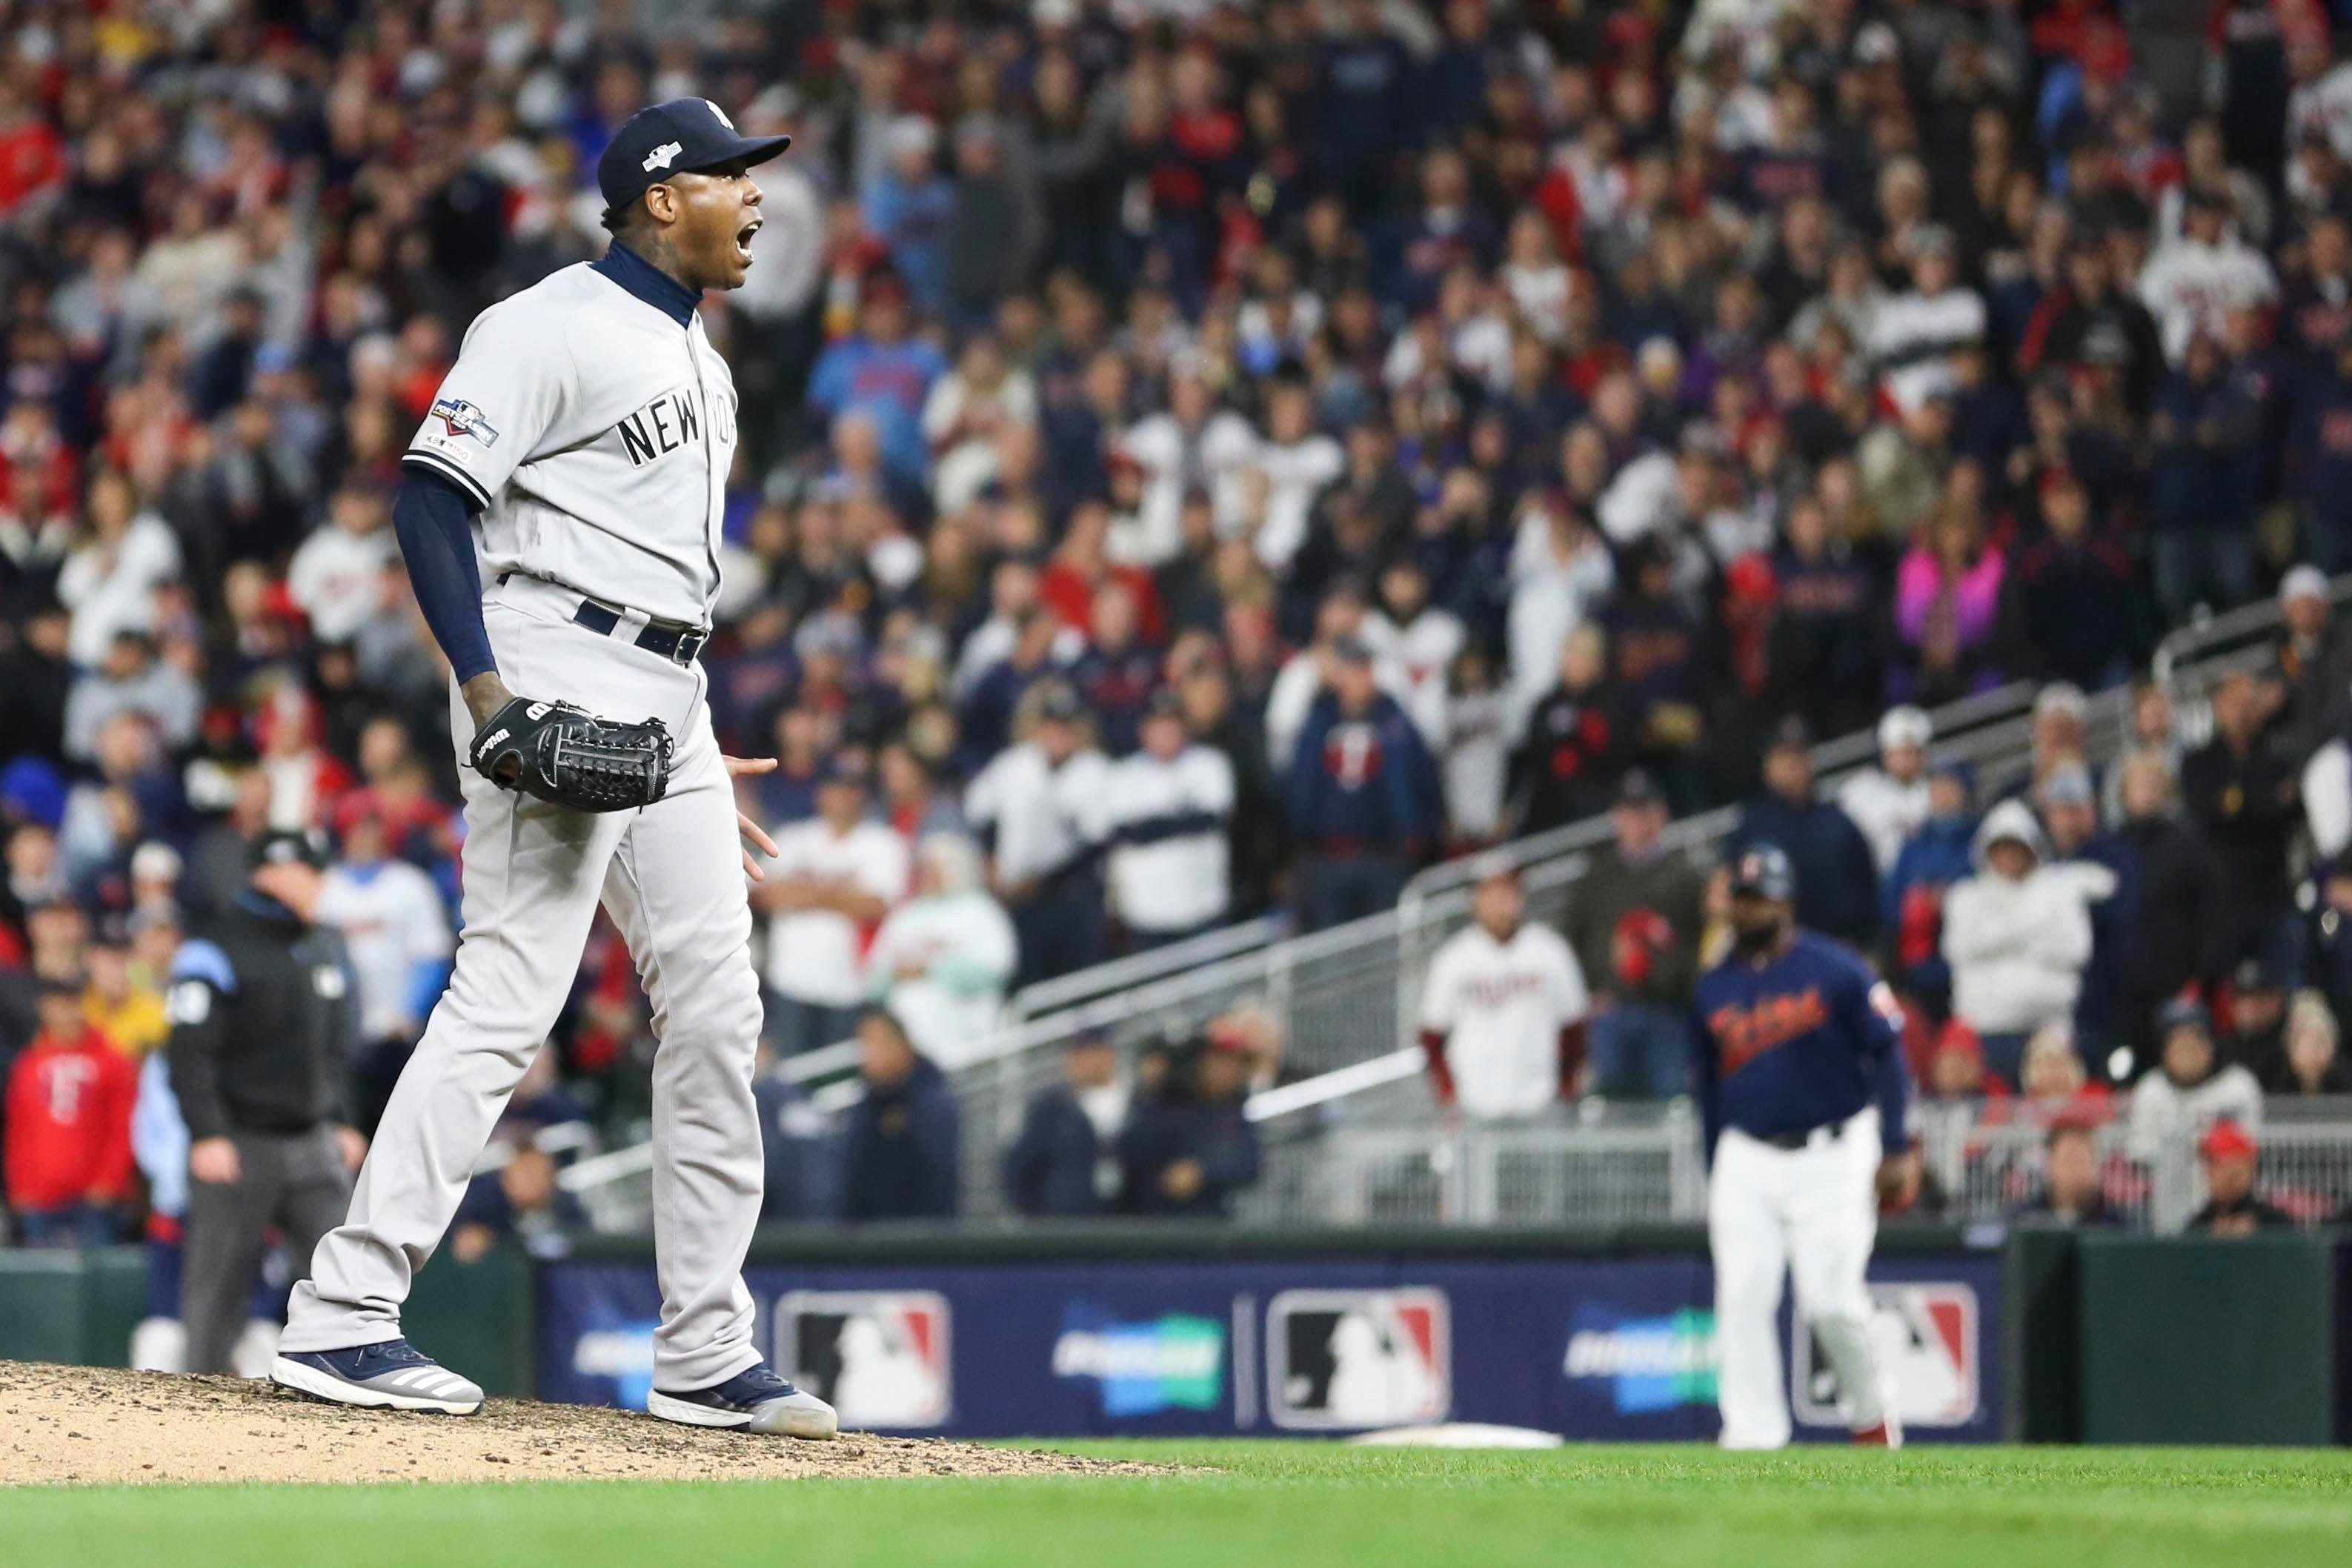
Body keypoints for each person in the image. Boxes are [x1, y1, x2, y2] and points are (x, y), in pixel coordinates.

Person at [271, 102, 837, 1439]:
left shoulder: (704, 359)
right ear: (657, 198)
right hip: (543, 661)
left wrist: (689, 740)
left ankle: (705, 1349)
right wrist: (488, 696)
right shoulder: (543, 324)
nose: (754, 200)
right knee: (510, 986)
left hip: (669, 697)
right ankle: (343, 1314)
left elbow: (656, 575)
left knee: (715, 1009)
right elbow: (428, 499)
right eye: (729, 178)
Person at [1695, 846, 1911, 1452]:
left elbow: (1889, 1055)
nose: (1749, 909)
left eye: (1760, 898)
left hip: (1835, 1150)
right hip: (1746, 1156)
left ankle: (1872, 1421)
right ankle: (1751, 1438)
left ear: (1785, 902)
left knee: (1832, 1304)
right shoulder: (1714, 986)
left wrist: (1896, 1144)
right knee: (1741, 1297)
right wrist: (1715, 1165)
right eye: (1741, 898)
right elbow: (1709, 1087)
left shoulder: (1838, 969)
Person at [165, 831, 366, 1373]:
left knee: (344, 1274)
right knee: (219, 1284)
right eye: (311, 873)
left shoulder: (324, 944)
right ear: (273, 874)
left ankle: (344, 1378)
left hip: (314, 1143)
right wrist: (206, 1132)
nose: (320, 885)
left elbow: (334, 1049)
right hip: (239, 1144)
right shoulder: (214, 946)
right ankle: (196, 1398)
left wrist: (342, 1120)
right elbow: (188, 1053)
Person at [1285, 636, 1444, 931]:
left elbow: (1423, 780)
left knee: (1382, 946)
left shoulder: (1395, 721)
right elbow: (1300, 785)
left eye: (1364, 670)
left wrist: (1418, 837)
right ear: (1337, 675)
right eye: (1350, 670)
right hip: (1326, 859)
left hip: (1383, 856)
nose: (1358, 679)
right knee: (1330, 951)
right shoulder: (1318, 720)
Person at [1561, 772, 1704, 1098]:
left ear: (1662, 814)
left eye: (1646, 811)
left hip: (1668, 1014)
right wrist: (1589, 992)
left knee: (1673, 1104)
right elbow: (1570, 941)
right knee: (1613, 1111)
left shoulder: (1686, 878)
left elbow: (1701, 946)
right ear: (1615, 818)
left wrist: (1677, 985)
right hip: (1610, 1013)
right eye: (1630, 813)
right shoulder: (1596, 877)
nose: (1638, 822)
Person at [1941, 800, 2102, 1088]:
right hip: (1986, 1031)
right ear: (1987, 851)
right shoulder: (1966, 896)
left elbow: (2076, 949)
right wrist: (2032, 934)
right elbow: (1958, 948)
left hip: (2049, 1030)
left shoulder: (2057, 891)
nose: (2010, 856)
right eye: (2001, 848)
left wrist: (1996, 942)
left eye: (2018, 847)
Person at [966, 680, 1114, 988]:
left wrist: (1042, 881)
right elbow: (982, 811)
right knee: (1028, 982)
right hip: (1017, 897)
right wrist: (991, 862)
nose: (1058, 733)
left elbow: (1096, 845)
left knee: (1079, 985)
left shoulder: (1095, 770)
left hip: (1075, 898)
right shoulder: (1017, 763)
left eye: (1065, 725)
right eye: (1051, 725)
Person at [757, 759, 910, 1057]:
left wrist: (806, 892)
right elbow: (767, 895)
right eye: (834, 789)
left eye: (850, 790)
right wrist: (839, 894)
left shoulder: (884, 843)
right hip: (790, 980)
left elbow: (876, 904)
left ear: (862, 796)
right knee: (791, 1074)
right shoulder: (794, 836)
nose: (841, 798)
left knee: (840, 1080)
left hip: (851, 984)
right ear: (821, 793)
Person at [316, 808, 454, 1135]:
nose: (366, 837)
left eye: (373, 829)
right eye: (358, 829)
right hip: (341, 1034)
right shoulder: (326, 888)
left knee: (403, 1125)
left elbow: (431, 955)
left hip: (395, 1033)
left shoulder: (409, 884)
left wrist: (407, 1012)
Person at [1417, 860, 1590, 1120]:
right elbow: (1432, 1035)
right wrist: (1449, 1094)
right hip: (1474, 1102)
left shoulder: (1550, 950)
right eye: (1494, 892)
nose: (1504, 901)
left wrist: (1564, 1088)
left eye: (1510, 891)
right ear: (1475, 901)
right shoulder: (1453, 958)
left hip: (1539, 1099)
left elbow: (1574, 1026)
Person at [863, 834, 1017, 1072]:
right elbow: (874, 978)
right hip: (906, 1048)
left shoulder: (980, 910)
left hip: (966, 1033)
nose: (930, 875)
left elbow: (998, 969)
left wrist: (931, 969)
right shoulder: (906, 915)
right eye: (926, 868)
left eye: (937, 867)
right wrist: (897, 973)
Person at [1723, 718, 1879, 950]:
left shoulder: (1837, 819)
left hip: (1842, 948)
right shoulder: (1752, 825)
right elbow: (1728, 892)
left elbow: (1868, 889)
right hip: (1775, 955)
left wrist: (1871, 948)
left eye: (1800, 755)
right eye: (1784, 756)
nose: (1793, 764)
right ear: (1767, 766)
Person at [5, 971, 136, 1245]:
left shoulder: (112, 1061)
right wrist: (21, 1186)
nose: (64, 1012)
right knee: (43, 1283)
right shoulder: (29, 1065)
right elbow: (19, 1130)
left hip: (96, 1201)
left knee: (98, 1283)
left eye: (71, 1003)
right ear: (43, 1008)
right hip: (40, 1200)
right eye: (56, 1004)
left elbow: (124, 1127)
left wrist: (110, 1180)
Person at [1100, 689, 1237, 949]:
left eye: (1173, 724)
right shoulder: (1122, 775)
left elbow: (1214, 817)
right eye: (1159, 725)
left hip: (1203, 909)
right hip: (1145, 916)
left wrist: (1152, 826)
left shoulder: (1209, 764)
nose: (1166, 733)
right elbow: (1125, 832)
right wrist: (1181, 821)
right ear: (1144, 730)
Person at [2127, 997, 2265, 1232]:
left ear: (2210, 1044)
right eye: (2178, 1042)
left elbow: (2246, 1155)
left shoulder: (2237, 1085)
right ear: (2164, 1049)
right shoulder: (2151, 1089)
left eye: (2195, 1040)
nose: (2187, 1050)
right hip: (2165, 1213)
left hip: (2227, 1211)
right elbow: (2141, 1161)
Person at [1116, 1034, 1261, 1218]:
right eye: (1218, 1063)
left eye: (1234, 1065)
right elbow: (1131, 1156)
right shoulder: (1165, 1107)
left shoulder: (1235, 1115)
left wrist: (1203, 1173)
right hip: (1151, 1220)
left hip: (1207, 1223)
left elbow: (1249, 1166)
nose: (1226, 1072)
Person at [840, 1007, 960, 1221]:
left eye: (875, 1044)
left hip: (922, 1242)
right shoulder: (865, 1107)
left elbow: (939, 1179)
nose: (868, 1056)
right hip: (868, 1242)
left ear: (901, 1046)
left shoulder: (934, 1104)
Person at [1002, 1029, 1128, 1217]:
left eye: (1087, 1053)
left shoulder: (1137, 1103)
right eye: (1074, 1055)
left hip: (1127, 1229)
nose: (1078, 1063)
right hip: (1067, 1230)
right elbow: (1020, 1170)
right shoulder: (1050, 1109)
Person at [1837, 706, 1934, 877]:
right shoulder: (1857, 792)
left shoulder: (1937, 787)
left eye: (1916, 751)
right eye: (1904, 752)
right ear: (1885, 751)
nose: (1911, 759)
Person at [2185, 1119, 2296, 1235]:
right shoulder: (2198, 1226)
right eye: (2207, 1162)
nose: (2208, 1171)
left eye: (2215, 1162)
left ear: (2243, 1168)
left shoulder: (2274, 1225)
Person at [2012, 1121, 2117, 1226]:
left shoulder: (2116, 1225)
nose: (2075, 1170)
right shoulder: (2023, 1220)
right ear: (2050, 1165)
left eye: (2081, 1161)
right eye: (2068, 1160)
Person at [2269, 989, 2352, 1094]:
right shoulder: (2273, 1081)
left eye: (2320, 1041)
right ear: (2289, 1046)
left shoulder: (2346, 1084)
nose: (2312, 1051)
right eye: (2304, 1041)